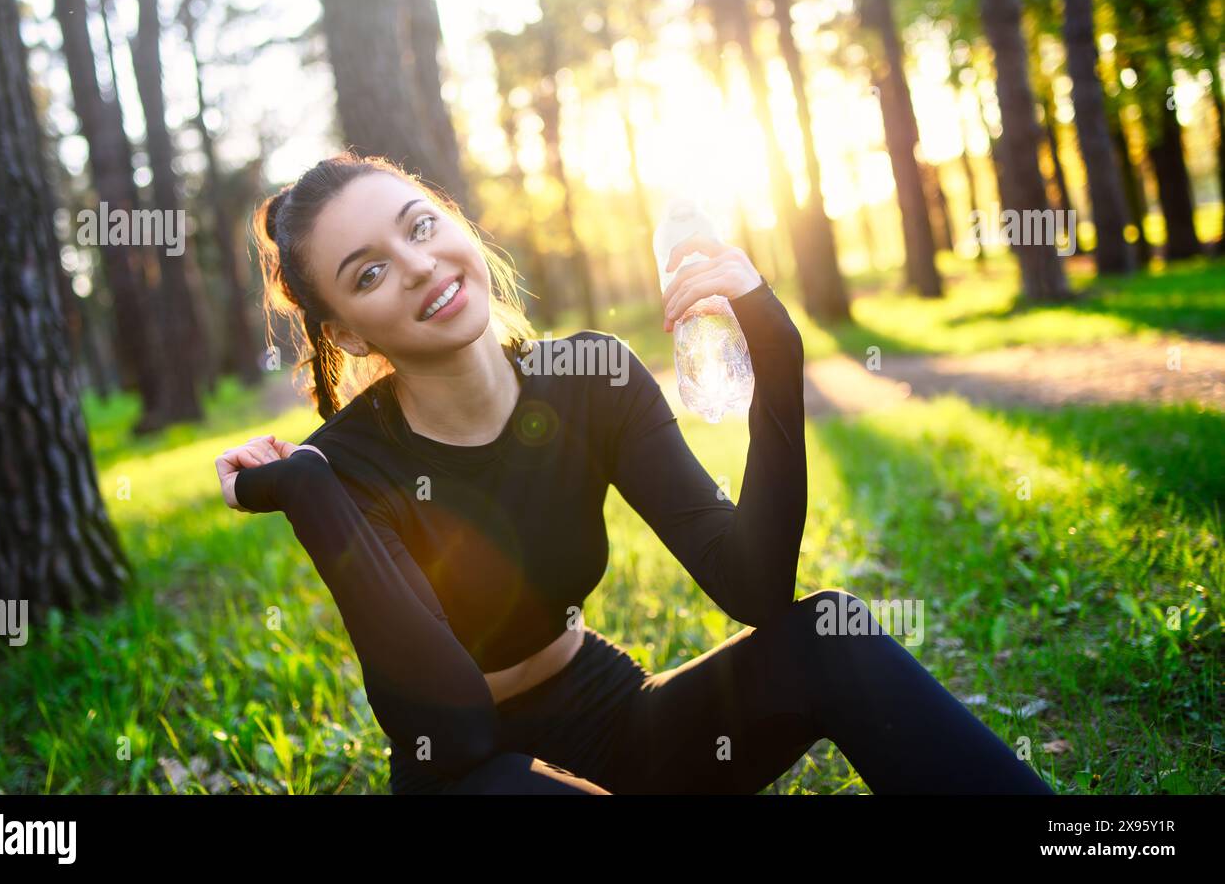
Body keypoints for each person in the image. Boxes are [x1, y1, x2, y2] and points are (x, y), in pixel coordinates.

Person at [215, 151, 1054, 795]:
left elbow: (754, 587)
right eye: (369, 272)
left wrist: (779, 350)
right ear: (350, 333)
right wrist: (309, 489)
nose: (420, 264)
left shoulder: (592, 378)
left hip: (615, 713)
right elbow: (455, 734)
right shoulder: (351, 468)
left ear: (455, 225)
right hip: (482, 780)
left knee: (827, 635)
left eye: (421, 225)